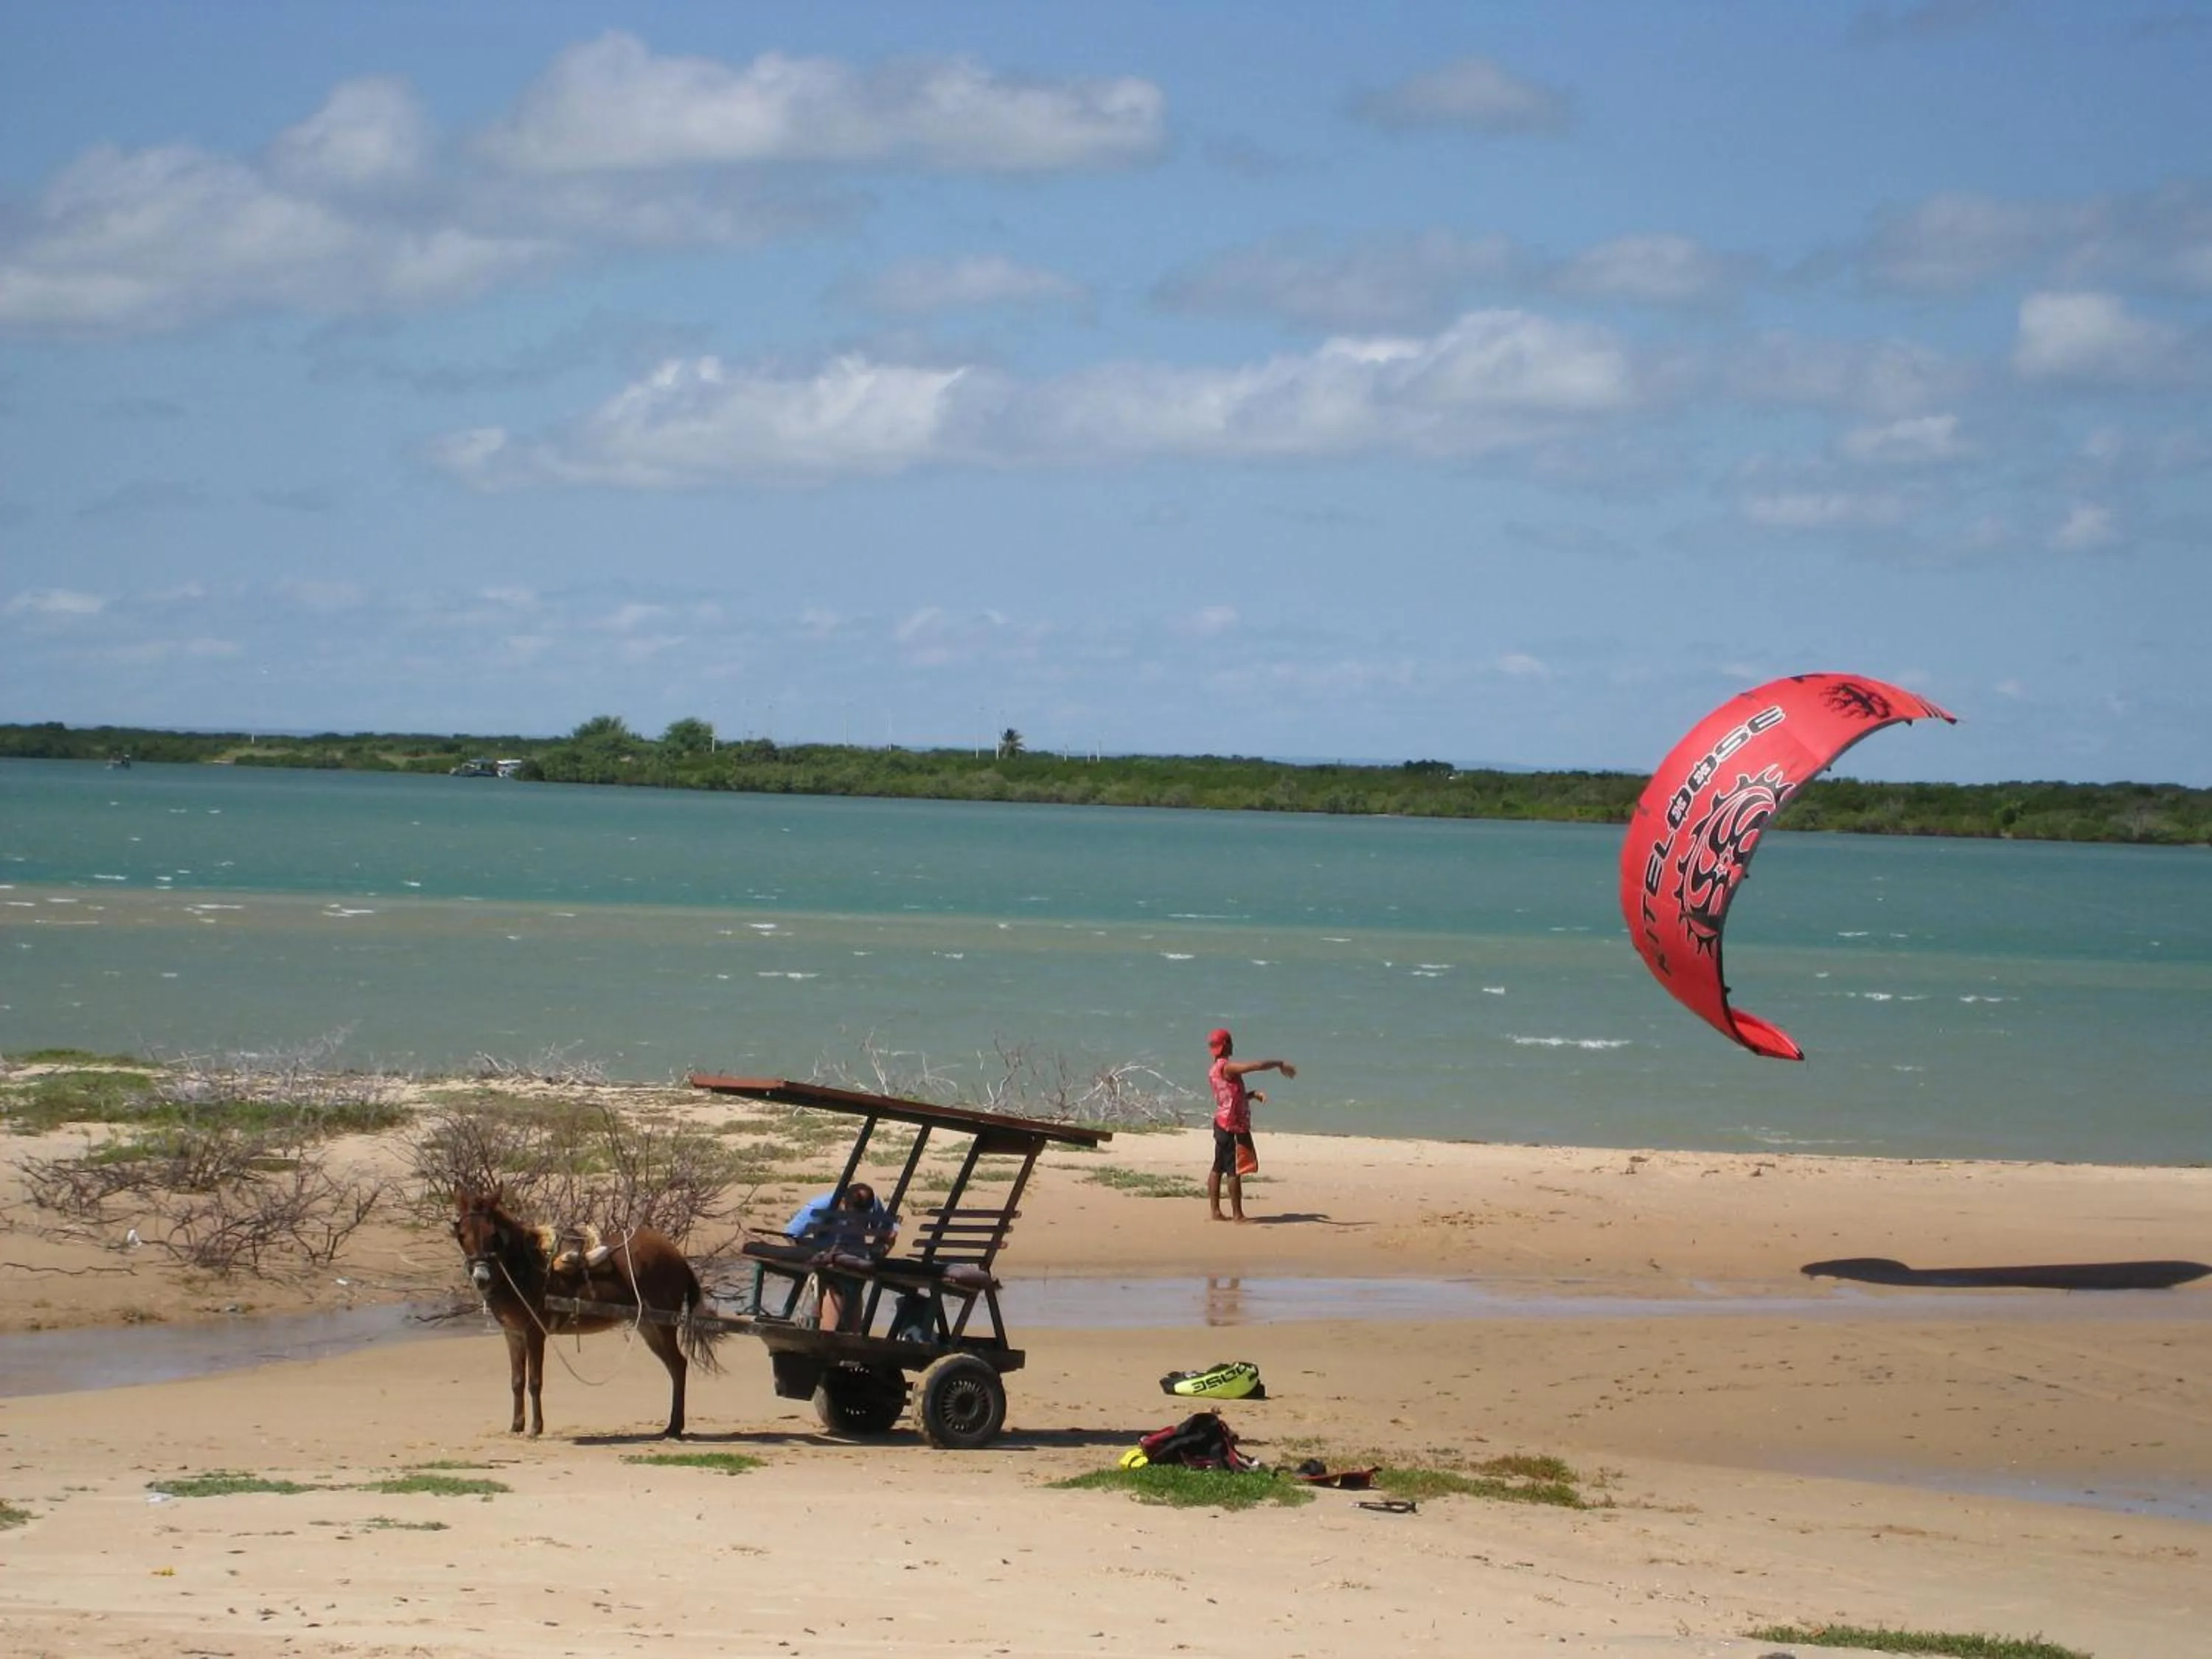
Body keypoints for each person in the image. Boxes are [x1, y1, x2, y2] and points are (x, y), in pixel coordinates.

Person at [1205, 1027, 1295, 1222]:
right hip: (1231, 1125)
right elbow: (1256, 1066)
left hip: (1220, 1122)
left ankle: (1215, 1211)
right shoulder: (1226, 1067)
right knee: (1233, 1169)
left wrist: (1252, 1095)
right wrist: (1279, 1063)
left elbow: (1229, 1098)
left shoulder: (1214, 1070)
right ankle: (1238, 1215)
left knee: (1217, 1167)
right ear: (1227, 1045)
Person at [785, 1182, 896, 1330]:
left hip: (856, 1260)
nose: (857, 1218)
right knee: (836, 1284)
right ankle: (828, 1333)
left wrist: (882, 1250)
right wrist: (810, 1258)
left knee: (853, 1287)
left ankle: (850, 1336)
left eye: (862, 1214)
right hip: (827, 1259)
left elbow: (890, 1228)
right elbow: (791, 1233)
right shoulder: (821, 1205)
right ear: (843, 1202)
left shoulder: (873, 1203)